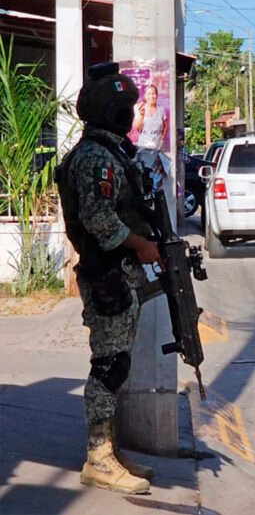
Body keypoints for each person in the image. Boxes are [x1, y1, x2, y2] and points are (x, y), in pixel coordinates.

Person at [56, 62, 163, 495]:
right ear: (113, 112)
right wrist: (139, 245)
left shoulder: (111, 151)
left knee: (117, 363)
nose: (132, 117)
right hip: (108, 274)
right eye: (127, 110)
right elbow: (99, 220)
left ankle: (109, 450)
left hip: (119, 273)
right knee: (109, 365)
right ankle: (98, 457)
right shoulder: (96, 158)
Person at [132, 84, 164, 150]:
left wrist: (161, 140)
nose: (151, 96)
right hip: (144, 146)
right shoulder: (140, 108)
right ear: (145, 96)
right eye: (148, 94)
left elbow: (165, 126)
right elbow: (138, 128)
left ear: (157, 95)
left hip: (157, 146)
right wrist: (141, 115)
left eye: (153, 93)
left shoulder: (161, 109)